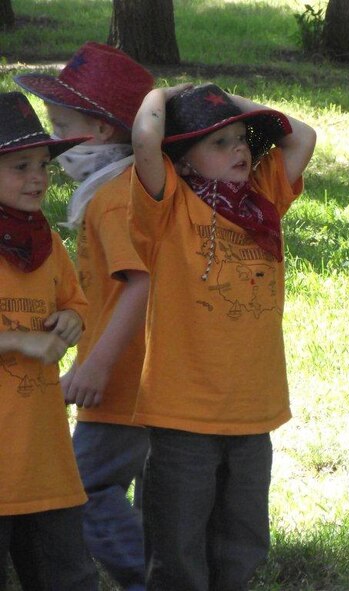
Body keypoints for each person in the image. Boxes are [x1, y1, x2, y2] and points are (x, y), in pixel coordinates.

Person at [130, 82, 316, 588]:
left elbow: (301, 137)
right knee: (178, 551)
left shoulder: (262, 198)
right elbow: (146, 139)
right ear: (183, 161)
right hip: (183, 413)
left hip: (252, 411)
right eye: (218, 142)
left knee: (242, 545)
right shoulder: (168, 207)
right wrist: (164, 93)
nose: (239, 150)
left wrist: (227, 102)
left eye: (241, 140)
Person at [15, 42, 155, 591]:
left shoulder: (113, 199)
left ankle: (145, 581)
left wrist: (94, 366)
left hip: (121, 381)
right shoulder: (121, 190)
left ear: (97, 132)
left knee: (87, 489)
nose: (53, 144)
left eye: (60, 125)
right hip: (140, 374)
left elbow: (142, 281)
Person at [0, 91, 98, 590]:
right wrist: (16, 343)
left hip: (45, 464)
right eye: (20, 166)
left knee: (69, 578)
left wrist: (71, 321)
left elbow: (75, 302)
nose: (38, 177)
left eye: (42, 164)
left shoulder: (46, 242)